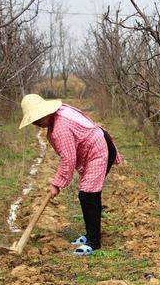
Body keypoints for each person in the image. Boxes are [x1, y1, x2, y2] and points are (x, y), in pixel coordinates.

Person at [19, 94, 122, 255]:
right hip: (97, 146)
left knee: (87, 195)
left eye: (38, 118)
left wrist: (56, 184)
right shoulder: (58, 114)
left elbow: (69, 159)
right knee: (91, 195)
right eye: (34, 121)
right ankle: (91, 234)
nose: (37, 123)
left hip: (99, 150)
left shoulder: (60, 127)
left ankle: (94, 242)